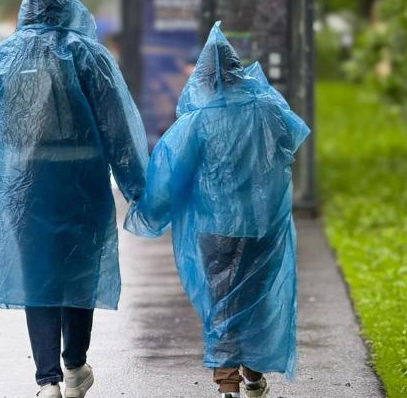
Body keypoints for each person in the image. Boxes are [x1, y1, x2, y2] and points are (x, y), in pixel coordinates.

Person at [0, 0, 148, 398]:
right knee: (78, 271)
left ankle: (46, 378)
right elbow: (117, 127)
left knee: (39, 277)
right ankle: (74, 366)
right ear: (68, 4)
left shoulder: (5, 56)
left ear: (28, 5)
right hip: (81, 182)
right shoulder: (88, 54)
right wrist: (137, 186)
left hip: (26, 186)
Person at [125, 22, 310, 398]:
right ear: (238, 72)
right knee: (256, 299)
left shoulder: (196, 121)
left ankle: (227, 384)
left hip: (217, 227)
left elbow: (170, 172)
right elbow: (290, 143)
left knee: (222, 299)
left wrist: (147, 208)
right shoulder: (268, 110)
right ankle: (255, 375)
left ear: (205, 79)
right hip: (262, 224)